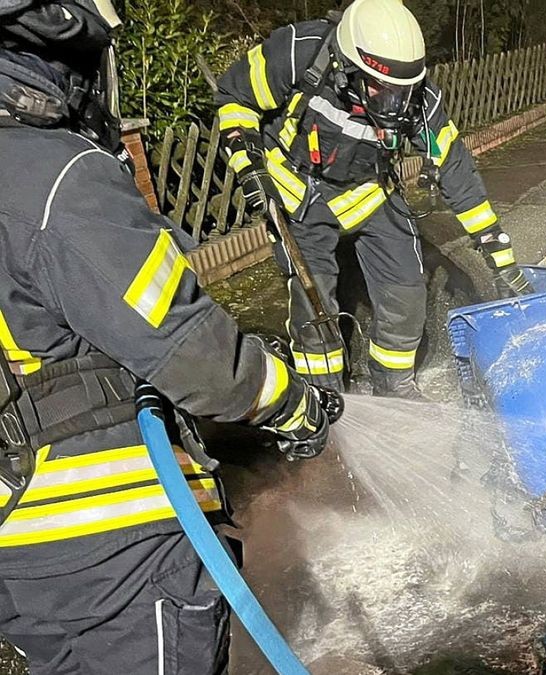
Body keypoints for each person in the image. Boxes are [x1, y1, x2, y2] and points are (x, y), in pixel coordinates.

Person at [0, 1, 337, 671]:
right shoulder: (54, 177)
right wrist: (294, 402)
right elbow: (197, 354)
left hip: (25, 544)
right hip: (113, 552)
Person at [216, 0, 530, 399]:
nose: (396, 105)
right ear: (348, 69)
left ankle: (394, 384)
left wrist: (501, 260)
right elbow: (234, 99)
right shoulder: (299, 52)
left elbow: (455, 170)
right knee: (315, 305)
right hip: (298, 197)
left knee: (406, 288)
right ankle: (323, 396)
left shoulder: (415, 98)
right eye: (383, 90)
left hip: (368, 191)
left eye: (405, 91)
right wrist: (248, 164)